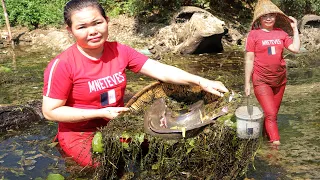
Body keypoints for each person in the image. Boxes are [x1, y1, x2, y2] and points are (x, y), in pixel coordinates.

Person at [42, 0, 229, 167]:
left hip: (117, 123)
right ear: (70, 30)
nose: (92, 31)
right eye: (82, 27)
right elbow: (50, 111)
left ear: (107, 21)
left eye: (97, 23)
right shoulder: (63, 65)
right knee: (103, 167)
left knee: (160, 153)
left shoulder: (119, 51)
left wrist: (201, 81)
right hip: (79, 133)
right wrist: (99, 113)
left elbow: (160, 70)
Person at [244, 0, 300, 146]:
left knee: (271, 115)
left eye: (271, 15)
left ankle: (264, 141)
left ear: (276, 17)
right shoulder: (253, 35)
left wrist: (295, 30)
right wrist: (247, 83)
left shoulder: (281, 33)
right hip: (261, 80)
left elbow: (295, 48)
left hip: (280, 80)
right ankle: (275, 148)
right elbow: (249, 59)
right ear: (259, 19)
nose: (268, 18)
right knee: (270, 114)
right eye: (264, 16)